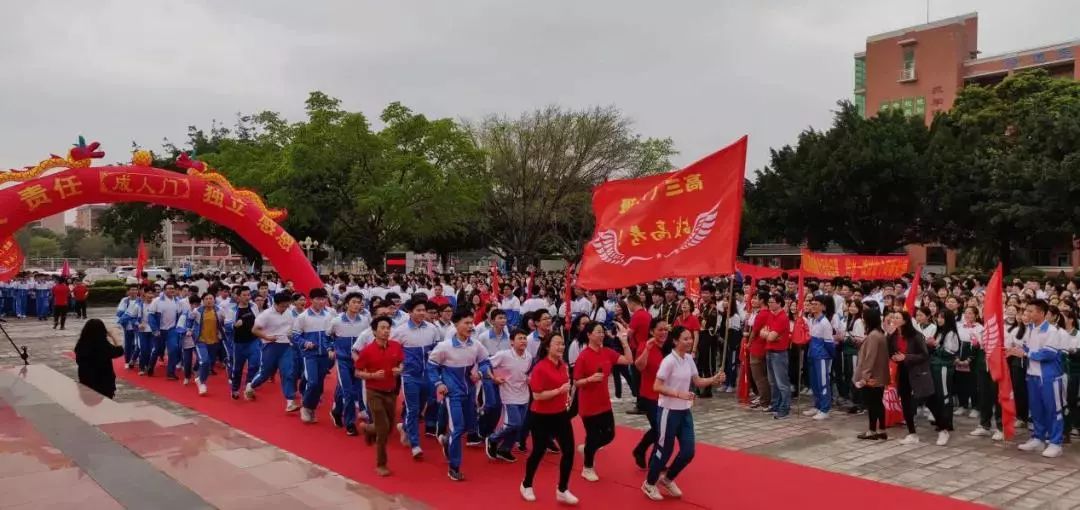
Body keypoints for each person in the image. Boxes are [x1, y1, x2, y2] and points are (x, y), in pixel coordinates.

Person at [641, 325, 725, 501]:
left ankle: (668, 478)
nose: (689, 342)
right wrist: (678, 393)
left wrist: (714, 379)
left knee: (688, 451)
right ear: (675, 341)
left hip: (684, 411)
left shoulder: (688, 359)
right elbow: (657, 386)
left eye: (690, 338)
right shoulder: (669, 361)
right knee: (664, 450)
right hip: (668, 411)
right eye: (685, 339)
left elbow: (697, 381)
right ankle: (649, 483)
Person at [429, 312, 492, 482]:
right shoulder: (444, 346)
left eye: (472, 323)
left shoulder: (476, 345)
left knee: (467, 427)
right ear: (456, 325)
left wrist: (479, 372)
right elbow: (431, 366)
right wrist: (439, 384)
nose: (471, 326)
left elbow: (486, 362)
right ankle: (454, 467)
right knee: (458, 428)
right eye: (466, 322)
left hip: (470, 392)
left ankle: (446, 441)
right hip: (452, 394)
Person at [520, 332, 578, 505]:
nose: (561, 347)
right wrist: (559, 391)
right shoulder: (540, 367)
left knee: (568, 451)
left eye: (562, 344)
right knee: (539, 451)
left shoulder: (563, 365)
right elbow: (537, 396)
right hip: (541, 416)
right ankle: (526, 484)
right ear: (547, 347)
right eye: (557, 344)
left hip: (560, 414)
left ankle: (562, 489)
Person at [572, 320, 633, 482]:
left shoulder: (607, 352)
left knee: (609, 435)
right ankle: (587, 467)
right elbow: (576, 381)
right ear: (589, 335)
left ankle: (588, 448)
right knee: (593, 437)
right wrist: (590, 379)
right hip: (588, 404)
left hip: (604, 402)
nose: (601, 334)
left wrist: (624, 342)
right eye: (598, 332)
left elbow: (628, 361)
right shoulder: (583, 356)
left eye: (602, 331)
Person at [1014, 299, 1074, 458]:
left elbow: (1049, 353)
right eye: (1026, 311)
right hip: (1032, 375)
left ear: (1041, 313)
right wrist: (1017, 350)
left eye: (1030, 311)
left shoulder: (1052, 331)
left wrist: (1026, 353)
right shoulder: (1030, 328)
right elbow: (1027, 347)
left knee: (1054, 410)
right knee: (1036, 409)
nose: (1027, 314)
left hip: (1050, 376)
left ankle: (1055, 442)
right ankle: (1038, 438)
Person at [354, 316, 405, 477]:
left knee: (389, 428)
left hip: (391, 391)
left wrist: (400, 369)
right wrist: (372, 375)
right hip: (374, 392)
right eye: (382, 328)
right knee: (383, 429)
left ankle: (368, 429)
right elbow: (357, 372)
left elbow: (401, 363)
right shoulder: (367, 351)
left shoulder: (396, 346)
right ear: (375, 331)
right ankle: (381, 463)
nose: (386, 331)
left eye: (388, 328)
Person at [394, 299, 442, 458]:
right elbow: (393, 352)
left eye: (423, 310)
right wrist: (400, 365)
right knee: (413, 409)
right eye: (418, 310)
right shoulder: (400, 331)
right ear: (410, 312)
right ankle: (415, 444)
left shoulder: (432, 329)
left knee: (423, 406)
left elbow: (438, 350)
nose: (422, 313)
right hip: (410, 376)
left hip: (428, 375)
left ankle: (405, 428)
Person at [246, 292, 299, 412]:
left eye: (287, 305)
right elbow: (254, 330)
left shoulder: (289, 312)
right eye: (282, 306)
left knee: (288, 372)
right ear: (275, 304)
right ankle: (251, 385)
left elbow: (293, 328)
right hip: (270, 346)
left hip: (286, 346)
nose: (285, 308)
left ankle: (290, 401)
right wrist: (267, 337)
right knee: (265, 373)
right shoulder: (266, 315)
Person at [486, 329, 532, 462]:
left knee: (520, 425)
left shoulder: (528, 356)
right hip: (508, 394)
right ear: (512, 342)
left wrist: (529, 379)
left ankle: (505, 449)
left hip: (524, 394)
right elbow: (487, 364)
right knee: (514, 423)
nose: (523, 340)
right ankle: (493, 438)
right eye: (520, 338)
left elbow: (526, 373)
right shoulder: (503, 355)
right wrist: (494, 377)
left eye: (524, 338)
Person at [329, 292, 371, 436]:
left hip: (359, 361)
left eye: (359, 302)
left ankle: (337, 410)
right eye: (353, 302)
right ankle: (350, 423)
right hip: (343, 361)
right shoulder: (337, 321)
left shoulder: (365, 320)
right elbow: (328, 336)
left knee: (356, 390)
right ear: (347, 304)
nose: (356, 305)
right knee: (348, 392)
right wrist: (330, 349)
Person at [292, 287, 335, 424]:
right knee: (313, 382)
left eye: (323, 299)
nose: (321, 302)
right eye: (318, 299)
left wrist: (331, 348)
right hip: (309, 355)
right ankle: (305, 407)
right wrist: (305, 343)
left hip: (324, 356)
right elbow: (295, 336)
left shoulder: (329, 316)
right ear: (311, 300)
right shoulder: (303, 317)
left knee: (319, 385)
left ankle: (311, 408)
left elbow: (332, 335)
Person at [631, 318, 667, 469]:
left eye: (666, 329)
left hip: (666, 395)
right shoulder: (645, 346)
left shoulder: (670, 346)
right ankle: (655, 460)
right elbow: (639, 366)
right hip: (649, 395)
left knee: (661, 429)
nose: (663, 332)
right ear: (652, 331)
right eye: (660, 329)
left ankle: (640, 450)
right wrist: (647, 348)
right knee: (659, 430)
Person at [854, 307, 889, 440]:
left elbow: (870, 358)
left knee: (873, 403)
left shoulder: (874, 336)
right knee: (877, 403)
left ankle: (873, 430)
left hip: (872, 377)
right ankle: (880, 429)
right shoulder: (879, 334)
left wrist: (865, 377)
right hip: (878, 375)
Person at [928, 309, 959, 445]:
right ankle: (942, 421)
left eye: (942, 318)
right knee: (937, 395)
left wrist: (935, 345)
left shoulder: (951, 333)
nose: (939, 320)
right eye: (938, 317)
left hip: (944, 367)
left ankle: (946, 424)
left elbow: (950, 351)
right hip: (936, 366)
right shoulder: (940, 332)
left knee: (945, 395)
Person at [74, 318, 125, 399]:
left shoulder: (81, 344)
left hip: (85, 382)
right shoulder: (102, 345)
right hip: (103, 384)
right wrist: (114, 336)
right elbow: (119, 351)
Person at [803, 295, 837, 420]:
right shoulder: (812, 320)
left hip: (822, 357)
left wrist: (831, 356)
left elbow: (829, 343)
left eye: (816, 304)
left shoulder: (825, 323)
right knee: (814, 383)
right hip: (812, 355)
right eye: (812, 304)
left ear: (823, 307)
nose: (813, 306)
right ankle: (817, 406)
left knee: (823, 383)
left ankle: (825, 409)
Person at [762, 294, 792, 419]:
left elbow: (770, 336)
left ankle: (784, 408)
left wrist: (768, 334)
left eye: (772, 302)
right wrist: (769, 334)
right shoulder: (770, 315)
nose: (770, 304)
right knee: (773, 382)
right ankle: (775, 404)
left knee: (782, 383)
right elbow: (762, 332)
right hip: (769, 350)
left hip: (779, 353)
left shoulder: (782, 317)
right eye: (769, 302)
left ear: (779, 303)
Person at [190, 292, 226, 396]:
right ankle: (202, 383)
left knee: (209, 364)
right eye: (206, 299)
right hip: (200, 341)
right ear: (203, 300)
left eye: (211, 298)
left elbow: (225, 322)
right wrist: (188, 329)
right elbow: (189, 320)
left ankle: (199, 376)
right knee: (204, 361)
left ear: (214, 300)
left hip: (214, 341)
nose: (209, 300)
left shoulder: (219, 311)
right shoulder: (197, 311)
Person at [229, 287, 261, 400]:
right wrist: (234, 325)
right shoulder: (232, 309)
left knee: (255, 365)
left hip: (253, 341)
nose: (247, 297)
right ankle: (235, 389)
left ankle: (249, 387)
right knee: (237, 369)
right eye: (244, 295)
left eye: (248, 295)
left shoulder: (253, 306)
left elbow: (258, 320)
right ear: (238, 297)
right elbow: (227, 324)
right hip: (239, 344)